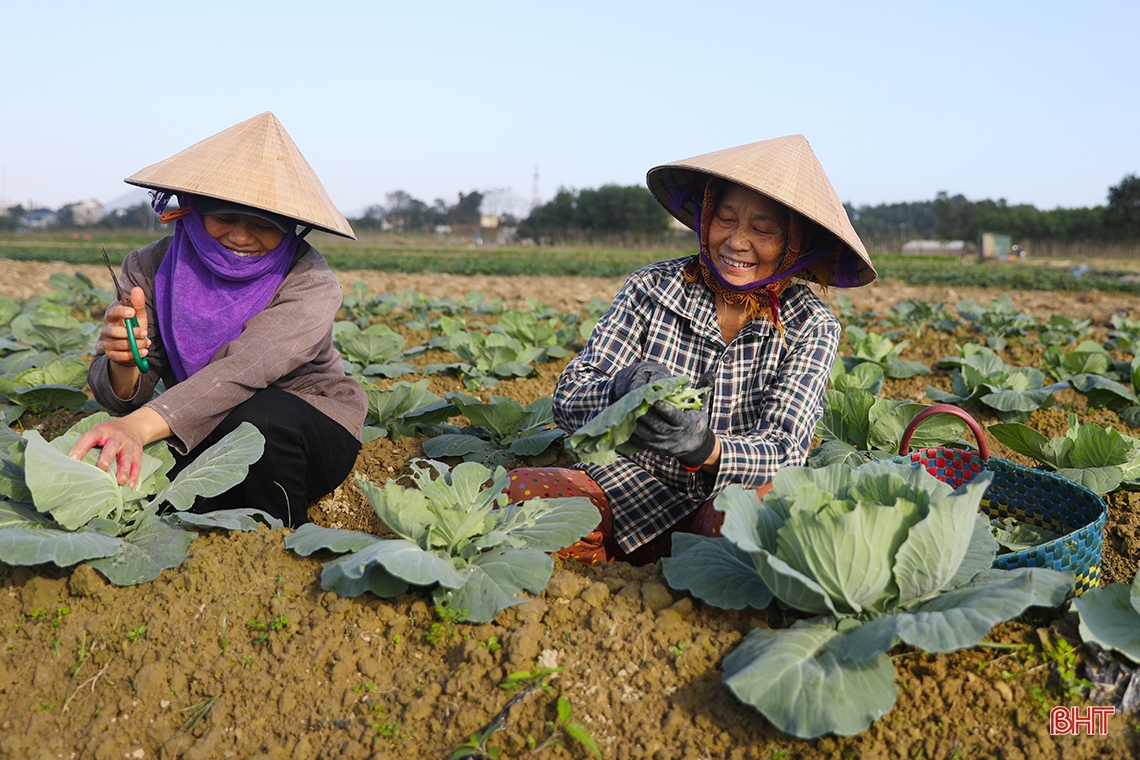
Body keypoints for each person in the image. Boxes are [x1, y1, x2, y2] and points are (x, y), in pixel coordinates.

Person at [506, 135, 876, 565]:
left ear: (794, 245)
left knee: (772, 525)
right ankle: (607, 565)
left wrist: (705, 448)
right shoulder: (650, 288)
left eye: (762, 228)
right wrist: (619, 390)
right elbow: (569, 399)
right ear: (705, 217)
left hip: (724, 506)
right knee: (520, 497)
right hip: (623, 489)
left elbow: (786, 450)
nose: (737, 242)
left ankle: (692, 578)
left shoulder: (812, 327)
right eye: (725, 218)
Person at [69, 112, 367, 527]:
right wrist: (122, 364)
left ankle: (278, 542)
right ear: (189, 211)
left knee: (257, 420)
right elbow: (124, 395)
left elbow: (243, 370)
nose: (242, 237)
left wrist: (137, 426)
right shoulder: (149, 266)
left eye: (264, 225)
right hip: (201, 419)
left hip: (306, 427)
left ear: (290, 230)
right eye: (225, 218)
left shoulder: (310, 281)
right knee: (137, 476)